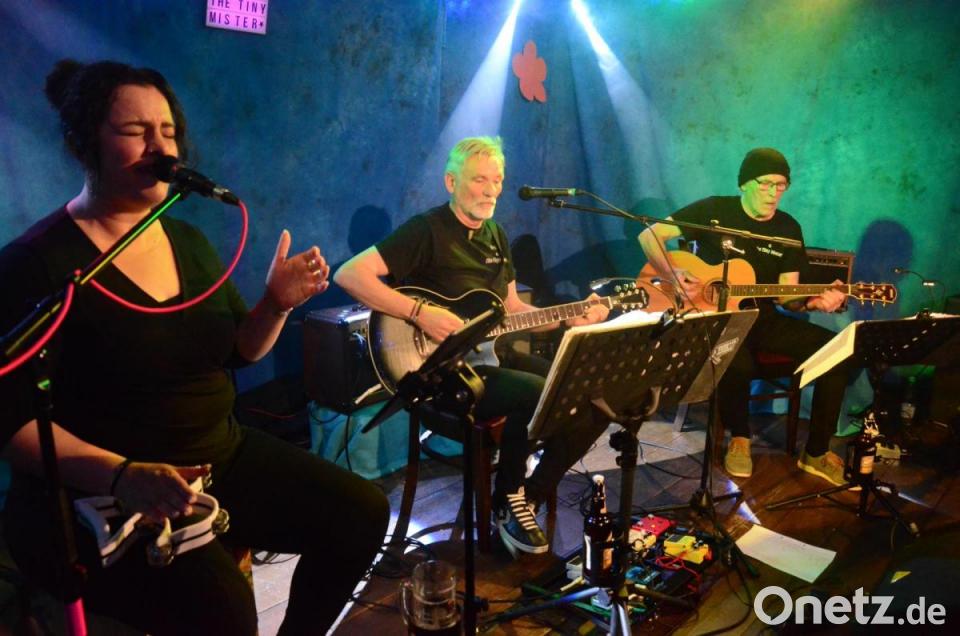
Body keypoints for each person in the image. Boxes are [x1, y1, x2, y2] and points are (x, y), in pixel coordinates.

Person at [0, 60, 389, 636]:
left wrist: (275, 304)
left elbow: (238, 351)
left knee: (361, 514)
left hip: (218, 457)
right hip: (110, 494)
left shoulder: (186, 239)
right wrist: (121, 474)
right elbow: (10, 423)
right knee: (225, 611)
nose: (160, 147)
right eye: (135, 131)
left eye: (168, 132)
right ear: (85, 144)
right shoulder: (37, 263)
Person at [334, 136, 609, 557]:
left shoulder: (496, 234)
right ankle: (507, 498)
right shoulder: (426, 230)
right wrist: (419, 313)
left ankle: (526, 496)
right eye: (480, 180)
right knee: (537, 395)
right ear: (451, 182)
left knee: (592, 397)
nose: (491, 190)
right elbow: (350, 275)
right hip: (439, 372)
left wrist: (569, 316)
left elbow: (513, 309)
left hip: (487, 358)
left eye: (497, 181)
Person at [638, 147, 850, 485]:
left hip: (761, 318)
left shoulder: (787, 229)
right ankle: (739, 437)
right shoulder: (713, 210)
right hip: (712, 318)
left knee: (837, 352)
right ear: (744, 184)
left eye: (781, 185)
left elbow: (786, 297)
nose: (773, 192)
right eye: (765, 183)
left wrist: (813, 303)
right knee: (736, 361)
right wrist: (672, 274)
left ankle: (816, 452)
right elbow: (650, 236)